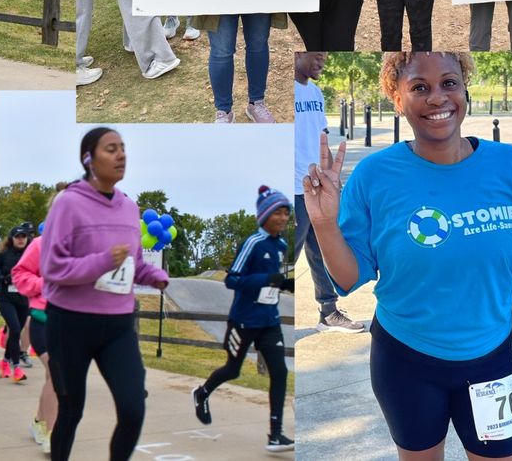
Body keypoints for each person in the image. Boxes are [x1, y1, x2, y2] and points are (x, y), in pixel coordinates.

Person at [304, 51, 512, 460]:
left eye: (449, 83)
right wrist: (324, 222)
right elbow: (348, 277)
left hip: (490, 361)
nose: (437, 98)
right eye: (419, 87)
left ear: (465, 88)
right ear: (397, 100)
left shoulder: (509, 165)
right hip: (406, 362)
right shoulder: (375, 176)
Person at [40, 127, 169, 461]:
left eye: (123, 148)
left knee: (133, 409)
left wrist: (154, 276)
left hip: (118, 326)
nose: (121, 155)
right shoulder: (68, 203)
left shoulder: (129, 207)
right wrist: (100, 262)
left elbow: (135, 263)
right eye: (111, 149)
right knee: (70, 411)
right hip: (70, 323)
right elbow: (52, 268)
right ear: (89, 159)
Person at [192, 186, 295, 453]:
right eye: (278, 213)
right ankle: (202, 393)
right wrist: (266, 279)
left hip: (269, 321)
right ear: (264, 215)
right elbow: (232, 280)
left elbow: (272, 282)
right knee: (233, 370)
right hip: (243, 321)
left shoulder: (281, 245)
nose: (284, 219)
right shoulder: (253, 243)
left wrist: (285, 284)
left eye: (286, 213)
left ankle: (275, 434)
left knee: (280, 373)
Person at [292, 51, 364, 333]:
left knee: (320, 252)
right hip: (294, 188)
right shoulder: (288, 90)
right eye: (317, 54)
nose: (323, 59)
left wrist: (332, 179)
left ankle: (328, 311)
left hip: (318, 185)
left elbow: (321, 138)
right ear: (298, 53)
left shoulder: (317, 92)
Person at [12, 218, 59, 456]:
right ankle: (53, 432)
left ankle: (39, 422)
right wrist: (45, 284)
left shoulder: (84, 246)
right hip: (43, 318)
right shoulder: (40, 244)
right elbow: (19, 274)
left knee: (53, 375)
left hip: (71, 322)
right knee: (57, 373)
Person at [0, 222, 33, 381]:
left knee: (17, 332)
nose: (21, 240)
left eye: (24, 237)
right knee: (15, 330)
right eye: (18, 237)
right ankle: (16, 368)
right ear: (12, 239)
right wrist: (3, 279)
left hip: (23, 299)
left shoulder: (31, 254)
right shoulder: (4, 254)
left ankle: (5, 361)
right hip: (6, 298)